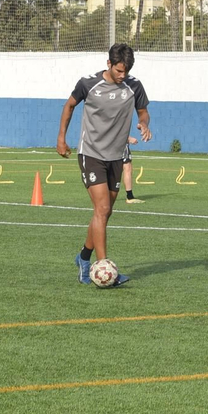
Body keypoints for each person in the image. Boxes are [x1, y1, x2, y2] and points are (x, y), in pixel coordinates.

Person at [56, 43, 151, 286]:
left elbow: (143, 111)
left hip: (117, 156)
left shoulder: (134, 85)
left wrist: (144, 124)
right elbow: (69, 106)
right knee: (101, 209)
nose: (123, 75)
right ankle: (103, 268)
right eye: (119, 70)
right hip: (91, 154)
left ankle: (83, 257)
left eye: (126, 71)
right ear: (109, 64)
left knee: (106, 211)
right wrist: (61, 138)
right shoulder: (88, 84)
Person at [122, 135, 144, 204]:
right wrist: (128, 138)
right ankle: (130, 196)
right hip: (119, 143)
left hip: (107, 143)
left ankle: (104, 195)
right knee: (127, 167)